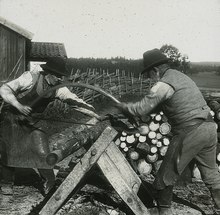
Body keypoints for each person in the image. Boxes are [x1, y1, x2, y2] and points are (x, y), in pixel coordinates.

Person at [116, 49, 220, 215]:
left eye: (149, 75)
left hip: (190, 131)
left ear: (155, 70)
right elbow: (157, 106)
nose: (150, 79)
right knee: (211, 174)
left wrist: (125, 108)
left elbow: (142, 107)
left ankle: (164, 212)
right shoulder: (180, 77)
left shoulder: (164, 83)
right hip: (209, 128)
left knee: (164, 177)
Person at [0, 57, 97, 195]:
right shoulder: (30, 78)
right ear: (48, 74)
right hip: (11, 116)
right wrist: (18, 105)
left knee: (42, 149)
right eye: (57, 76)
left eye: (61, 76)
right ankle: (6, 183)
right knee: (10, 147)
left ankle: (50, 182)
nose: (59, 79)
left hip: (30, 120)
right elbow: (4, 89)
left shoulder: (58, 89)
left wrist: (94, 114)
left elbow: (75, 101)